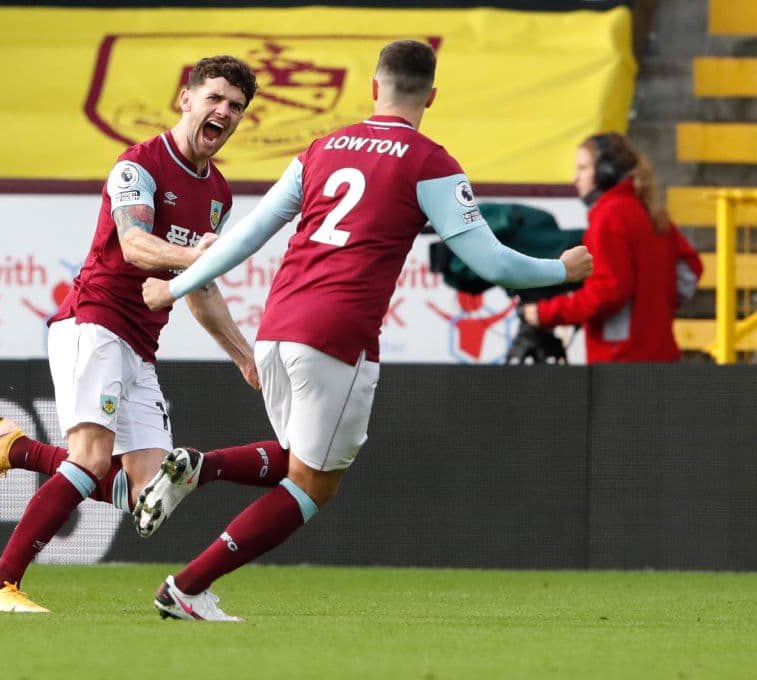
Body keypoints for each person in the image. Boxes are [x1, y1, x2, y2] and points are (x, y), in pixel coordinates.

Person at [139, 39, 593, 621]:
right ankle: (188, 586)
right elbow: (493, 264)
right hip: (338, 334)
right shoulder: (430, 162)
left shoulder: (322, 148)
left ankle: (204, 468)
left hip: (278, 325)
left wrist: (173, 287)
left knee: (296, 458)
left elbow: (248, 235)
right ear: (431, 96)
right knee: (313, 485)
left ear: (374, 89)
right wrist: (563, 268)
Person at [0, 55, 263, 613]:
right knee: (92, 455)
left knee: (148, 499)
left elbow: (199, 288)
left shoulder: (218, 194)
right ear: (186, 100)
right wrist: (198, 257)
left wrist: (245, 357)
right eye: (215, 98)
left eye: (236, 106)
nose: (224, 111)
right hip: (93, 322)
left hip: (141, 346)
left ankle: (17, 449)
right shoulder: (138, 164)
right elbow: (135, 245)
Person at [520, 133, 703, 362]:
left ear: (605, 172)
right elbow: (690, 271)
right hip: (661, 356)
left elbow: (608, 293)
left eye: (583, 168)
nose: (575, 178)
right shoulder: (649, 211)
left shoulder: (608, 216)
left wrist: (546, 312)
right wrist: (652, 310)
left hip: (619, 362)